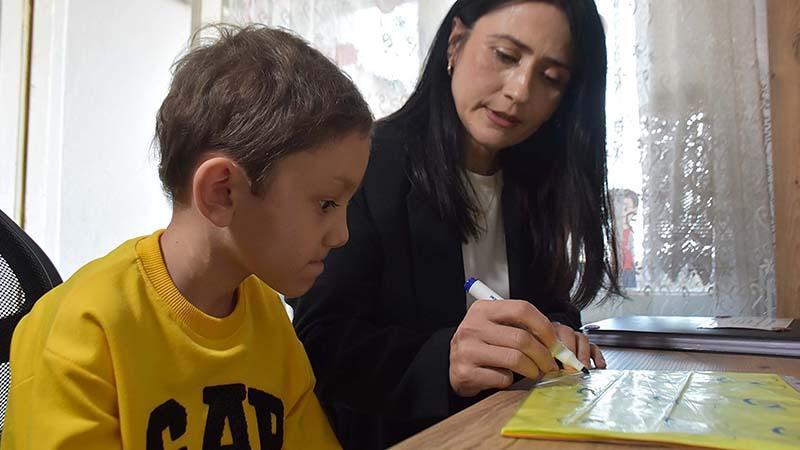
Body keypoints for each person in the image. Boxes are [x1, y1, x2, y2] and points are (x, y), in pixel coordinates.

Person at [1, 24, 372, 449]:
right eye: (326, 203)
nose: (342, 235)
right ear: (222, 192)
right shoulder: (85, 331)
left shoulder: (267, 319)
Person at [289, 0, 621, 448]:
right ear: (456, 42)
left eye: (550, 77)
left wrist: (557, 334)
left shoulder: (537, 183)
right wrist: (443, 361)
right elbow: (319, 342)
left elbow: (550, 304)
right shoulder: (369, 166)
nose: (520, 90)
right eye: (505, 55)